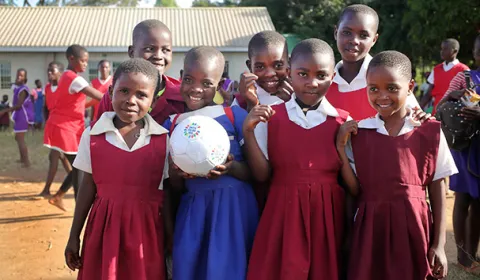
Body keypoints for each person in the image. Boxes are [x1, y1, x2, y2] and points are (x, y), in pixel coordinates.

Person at [337, 51, 456, 280]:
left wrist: (439, 245)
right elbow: (354, 189)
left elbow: (438, 188)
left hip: (414, 226)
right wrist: (341, 149)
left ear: (410, 86)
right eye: (373, 88)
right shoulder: (359, 133)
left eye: (392, 88)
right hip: (371, 227)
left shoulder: (428, 131)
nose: (382, 96)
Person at [244, 39, 348, 280]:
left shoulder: (342, 121)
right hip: (282, 213)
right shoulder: (270, 117)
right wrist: (248, 131)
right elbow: (262, 175)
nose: (312, 83)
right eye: (303, 74)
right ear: (289, 73)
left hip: (327, 217)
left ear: (333, 76)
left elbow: (350, 182)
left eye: (321, 75)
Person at [65, 58, 168, 279]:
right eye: (123, 91)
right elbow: (87, 188)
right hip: (104, 232)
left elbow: (168, 195)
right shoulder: (92, 135)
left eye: (141, 95)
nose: (131, 100)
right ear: (110, 91)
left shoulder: (164, 140)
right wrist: (74, 235)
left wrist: (170, 240)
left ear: (154, 101)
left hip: (146, 235)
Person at [163, 47, 258, 280]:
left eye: (206, 83)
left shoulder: (234, 116)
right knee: (191, 266)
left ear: (219, 84)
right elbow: (173, 188)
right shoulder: (172, 124)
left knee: (230, 270)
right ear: (181, 75)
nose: (196, 89)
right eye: (188, 79)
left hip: (234, 211)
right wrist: (177, 174)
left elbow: (255, 174)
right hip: (195, 212)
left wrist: (231, 168)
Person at [327, 4, 421, 120]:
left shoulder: (390, 77)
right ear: (336, 33)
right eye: (347, 32)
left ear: (374, 40)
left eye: (363, 35)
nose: (354, 40)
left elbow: (416, 122)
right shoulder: (324, 82)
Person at [437, 34, 480, 274]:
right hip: (465, 149)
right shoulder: (463, 77)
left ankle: (472, 253)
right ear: (473, 53)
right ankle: (464, 258)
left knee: (478, 203)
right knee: (464, 199)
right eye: (479, 51)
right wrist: (453, 98)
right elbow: (443, 107)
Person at [45, 44, 104, 211]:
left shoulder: (67, 77)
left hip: (66, 127)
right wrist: (115, 98)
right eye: (83, 61)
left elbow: (79, 104)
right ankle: (79, 206)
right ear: (72, 59)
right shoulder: (75, 79)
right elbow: (99, 95)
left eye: (87, 61)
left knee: (79, 166)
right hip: (66, 128)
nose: (85, 64)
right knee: (80, 167)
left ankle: (59, 196)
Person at [95, 19, 184, 124]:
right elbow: (98, 135)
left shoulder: (180, 97)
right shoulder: (115, 95)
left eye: (165, 50)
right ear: (132, 52)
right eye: (149, 49)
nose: (159, 56)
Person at [232, 31, 294, 111]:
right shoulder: (241, 101)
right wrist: (252, 105)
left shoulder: (303, 96)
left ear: (289, 63)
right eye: (260, 67)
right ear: (250, 66)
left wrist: (294, 104)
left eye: (278, 65)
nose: (269, 74)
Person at [39, 62, 73, 198]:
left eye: (52, 71)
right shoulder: (47, 88)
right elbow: (45, 107)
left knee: (54, 156)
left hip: (65, 127)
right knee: (61, 156)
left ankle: (47, 189)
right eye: (48, 71)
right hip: (54, 126)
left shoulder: (65, 88)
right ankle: (74, 182)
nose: (49, 73)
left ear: (60, 73)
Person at [420, 39, 469, 114]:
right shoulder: (436, 69)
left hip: (454, 115)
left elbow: (468, 95)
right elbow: (428, 94)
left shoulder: (463, 70)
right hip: (436, 113)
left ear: (455, 51)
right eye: (441, 49)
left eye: (445, 49)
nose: (442, 51)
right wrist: (419, 108)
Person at [0, 69, 34, 167]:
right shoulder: (18, 88)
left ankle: (27, 162)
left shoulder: (23, 90)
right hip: (19, 115)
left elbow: (19, 105)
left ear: (25, 78)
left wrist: (4, 111)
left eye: (22, 76)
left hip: (23, 115)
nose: (19, 77)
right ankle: (22, 159)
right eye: (18, 75)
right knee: (17, 137)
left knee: (20, 139)